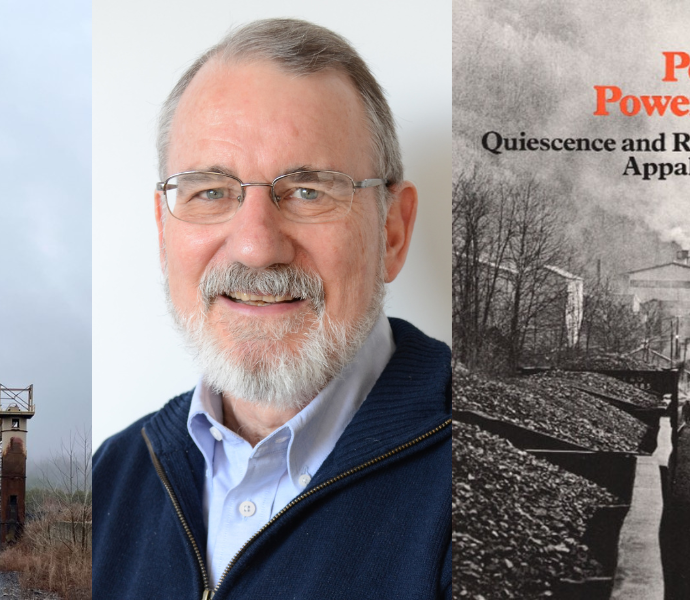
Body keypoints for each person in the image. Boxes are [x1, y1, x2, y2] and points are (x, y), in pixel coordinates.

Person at [92, 18, 451, 599]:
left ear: (392, 232)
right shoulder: (110, 480)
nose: (256, 246)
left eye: (308, 190)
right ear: (163, 234)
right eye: (210, 191)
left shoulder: (485, 478)